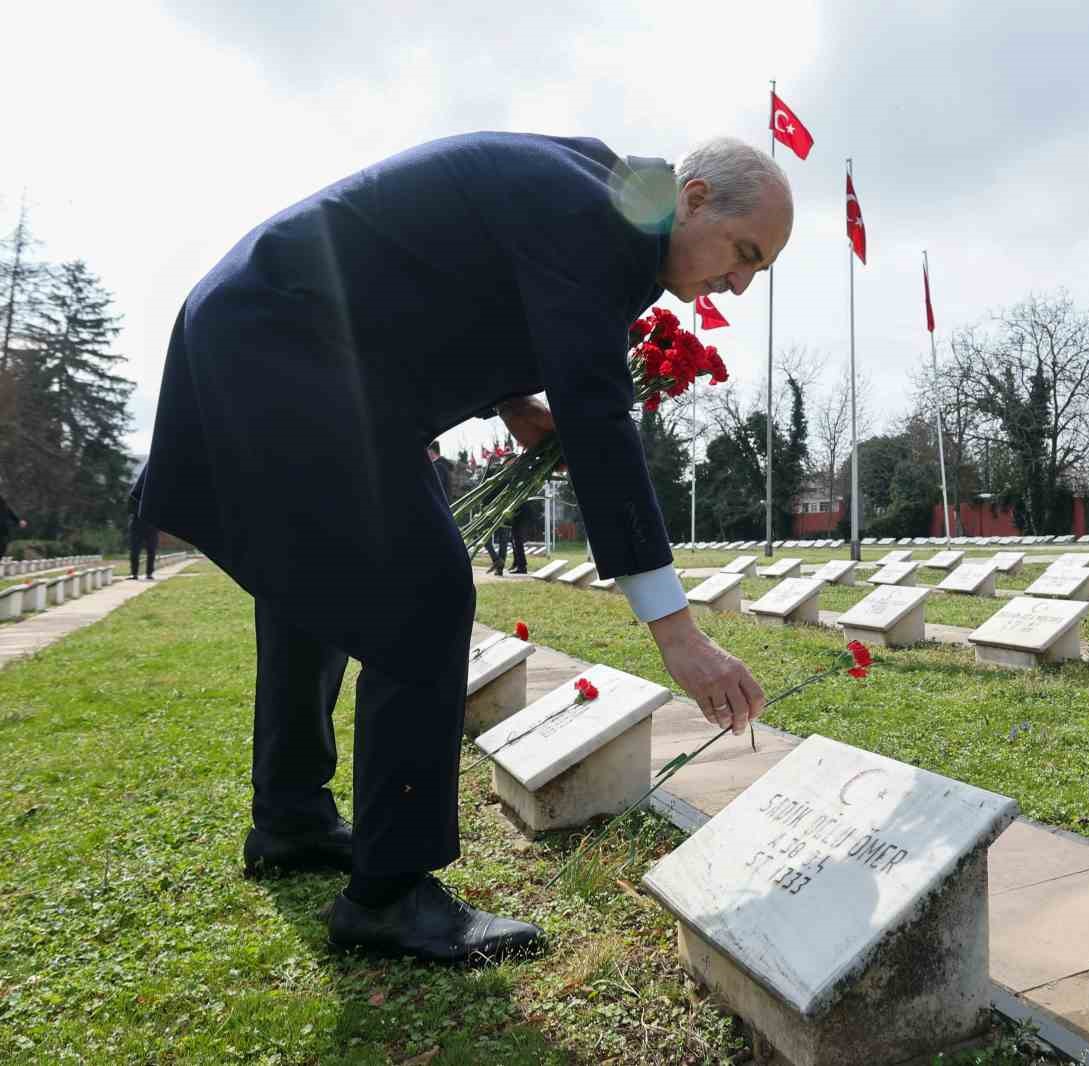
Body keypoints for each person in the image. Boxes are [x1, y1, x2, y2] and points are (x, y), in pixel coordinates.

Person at [134, 133, 792, 964]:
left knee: (318, 582)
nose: (736, 282)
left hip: (273, 326)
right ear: (694, 199)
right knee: (425, 595)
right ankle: (391, 895)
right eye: (742, 253)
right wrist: (678, 633)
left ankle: (292, 818)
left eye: (756, 271)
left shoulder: (600, 187)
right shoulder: (604, 224)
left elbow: (459, 276)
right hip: (290, 340)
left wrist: (512, 401)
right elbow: (598, 420)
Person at [128, 498, 160, 579]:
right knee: (134, 551)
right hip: (136, 526)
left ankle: (149, 573)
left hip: (151, 526)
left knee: (151, 551)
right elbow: (130, 508)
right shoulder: (135, 495)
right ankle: (134, 574)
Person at [0, 488, 24, 562]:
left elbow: (9, 511)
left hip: (3, 529)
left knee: (3, 547)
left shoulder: (2, 502)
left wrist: (18, 521)